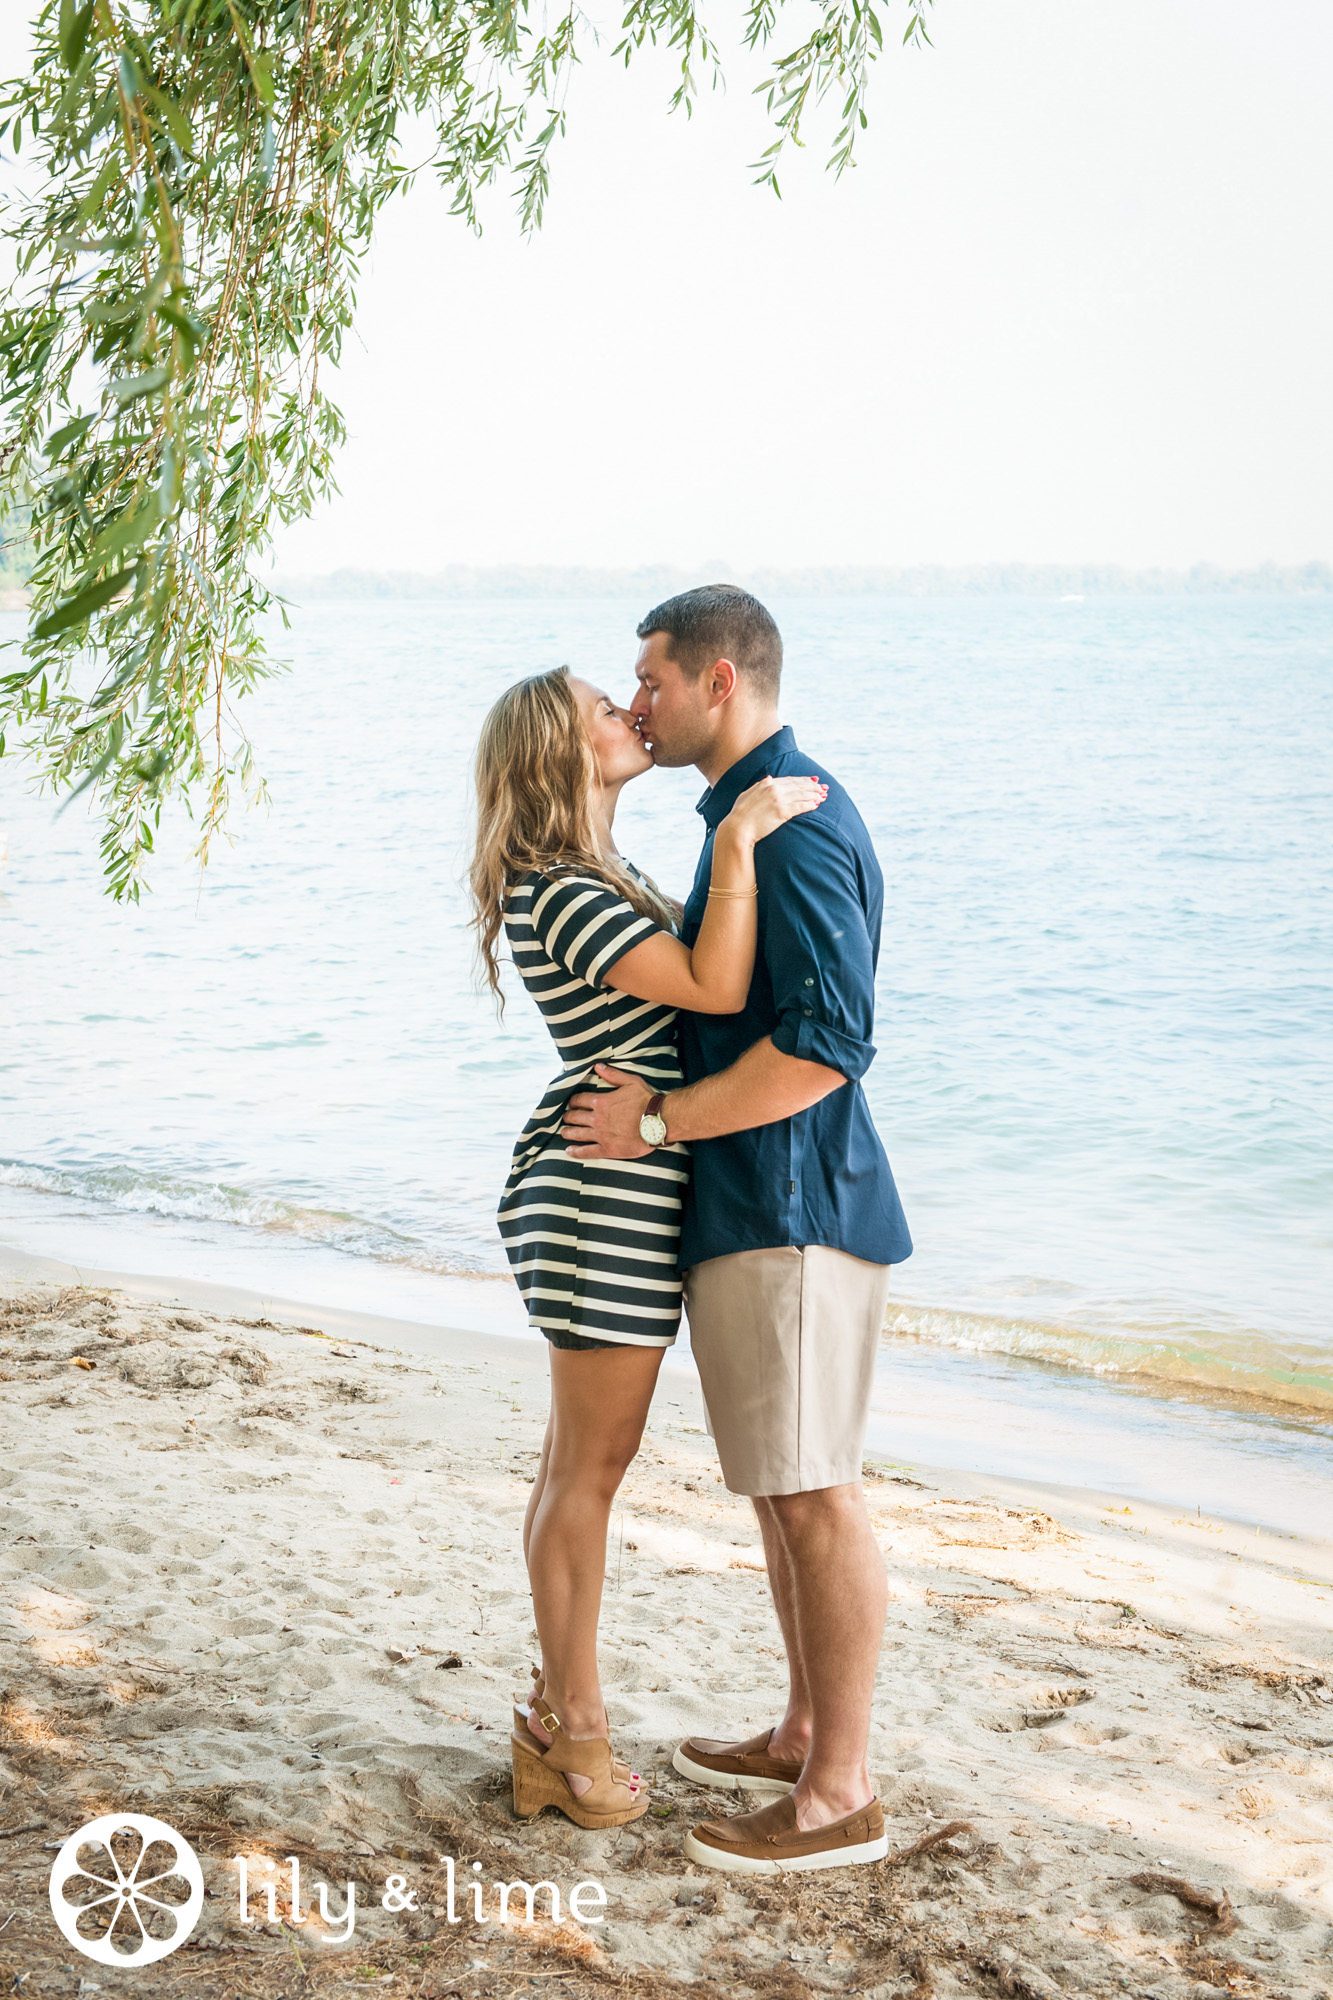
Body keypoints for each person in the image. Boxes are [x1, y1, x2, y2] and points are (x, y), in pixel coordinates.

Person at [560, 585, 913, 1874]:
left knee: (815, 1492)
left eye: (647, 679)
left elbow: (829, 1044)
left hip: (795, 1206)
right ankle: (803, 1733)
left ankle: (838, 1797)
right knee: (780, 1489)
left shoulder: (798, 820)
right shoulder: (736, 821)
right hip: (752, 1208)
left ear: (719, 679)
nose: (634, 702)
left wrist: (660, 1124)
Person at [468, 663, 825, 1832]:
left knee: (577, 1464)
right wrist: (741, 836)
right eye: (599, 709)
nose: (628, 714)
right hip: (604, 1191)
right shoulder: (563, 887)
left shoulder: (593, 873)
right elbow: (713, 978)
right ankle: (576, 1736)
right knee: (588, 1470)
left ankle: (548, 1719)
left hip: (625, 1177)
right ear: (555, 753)